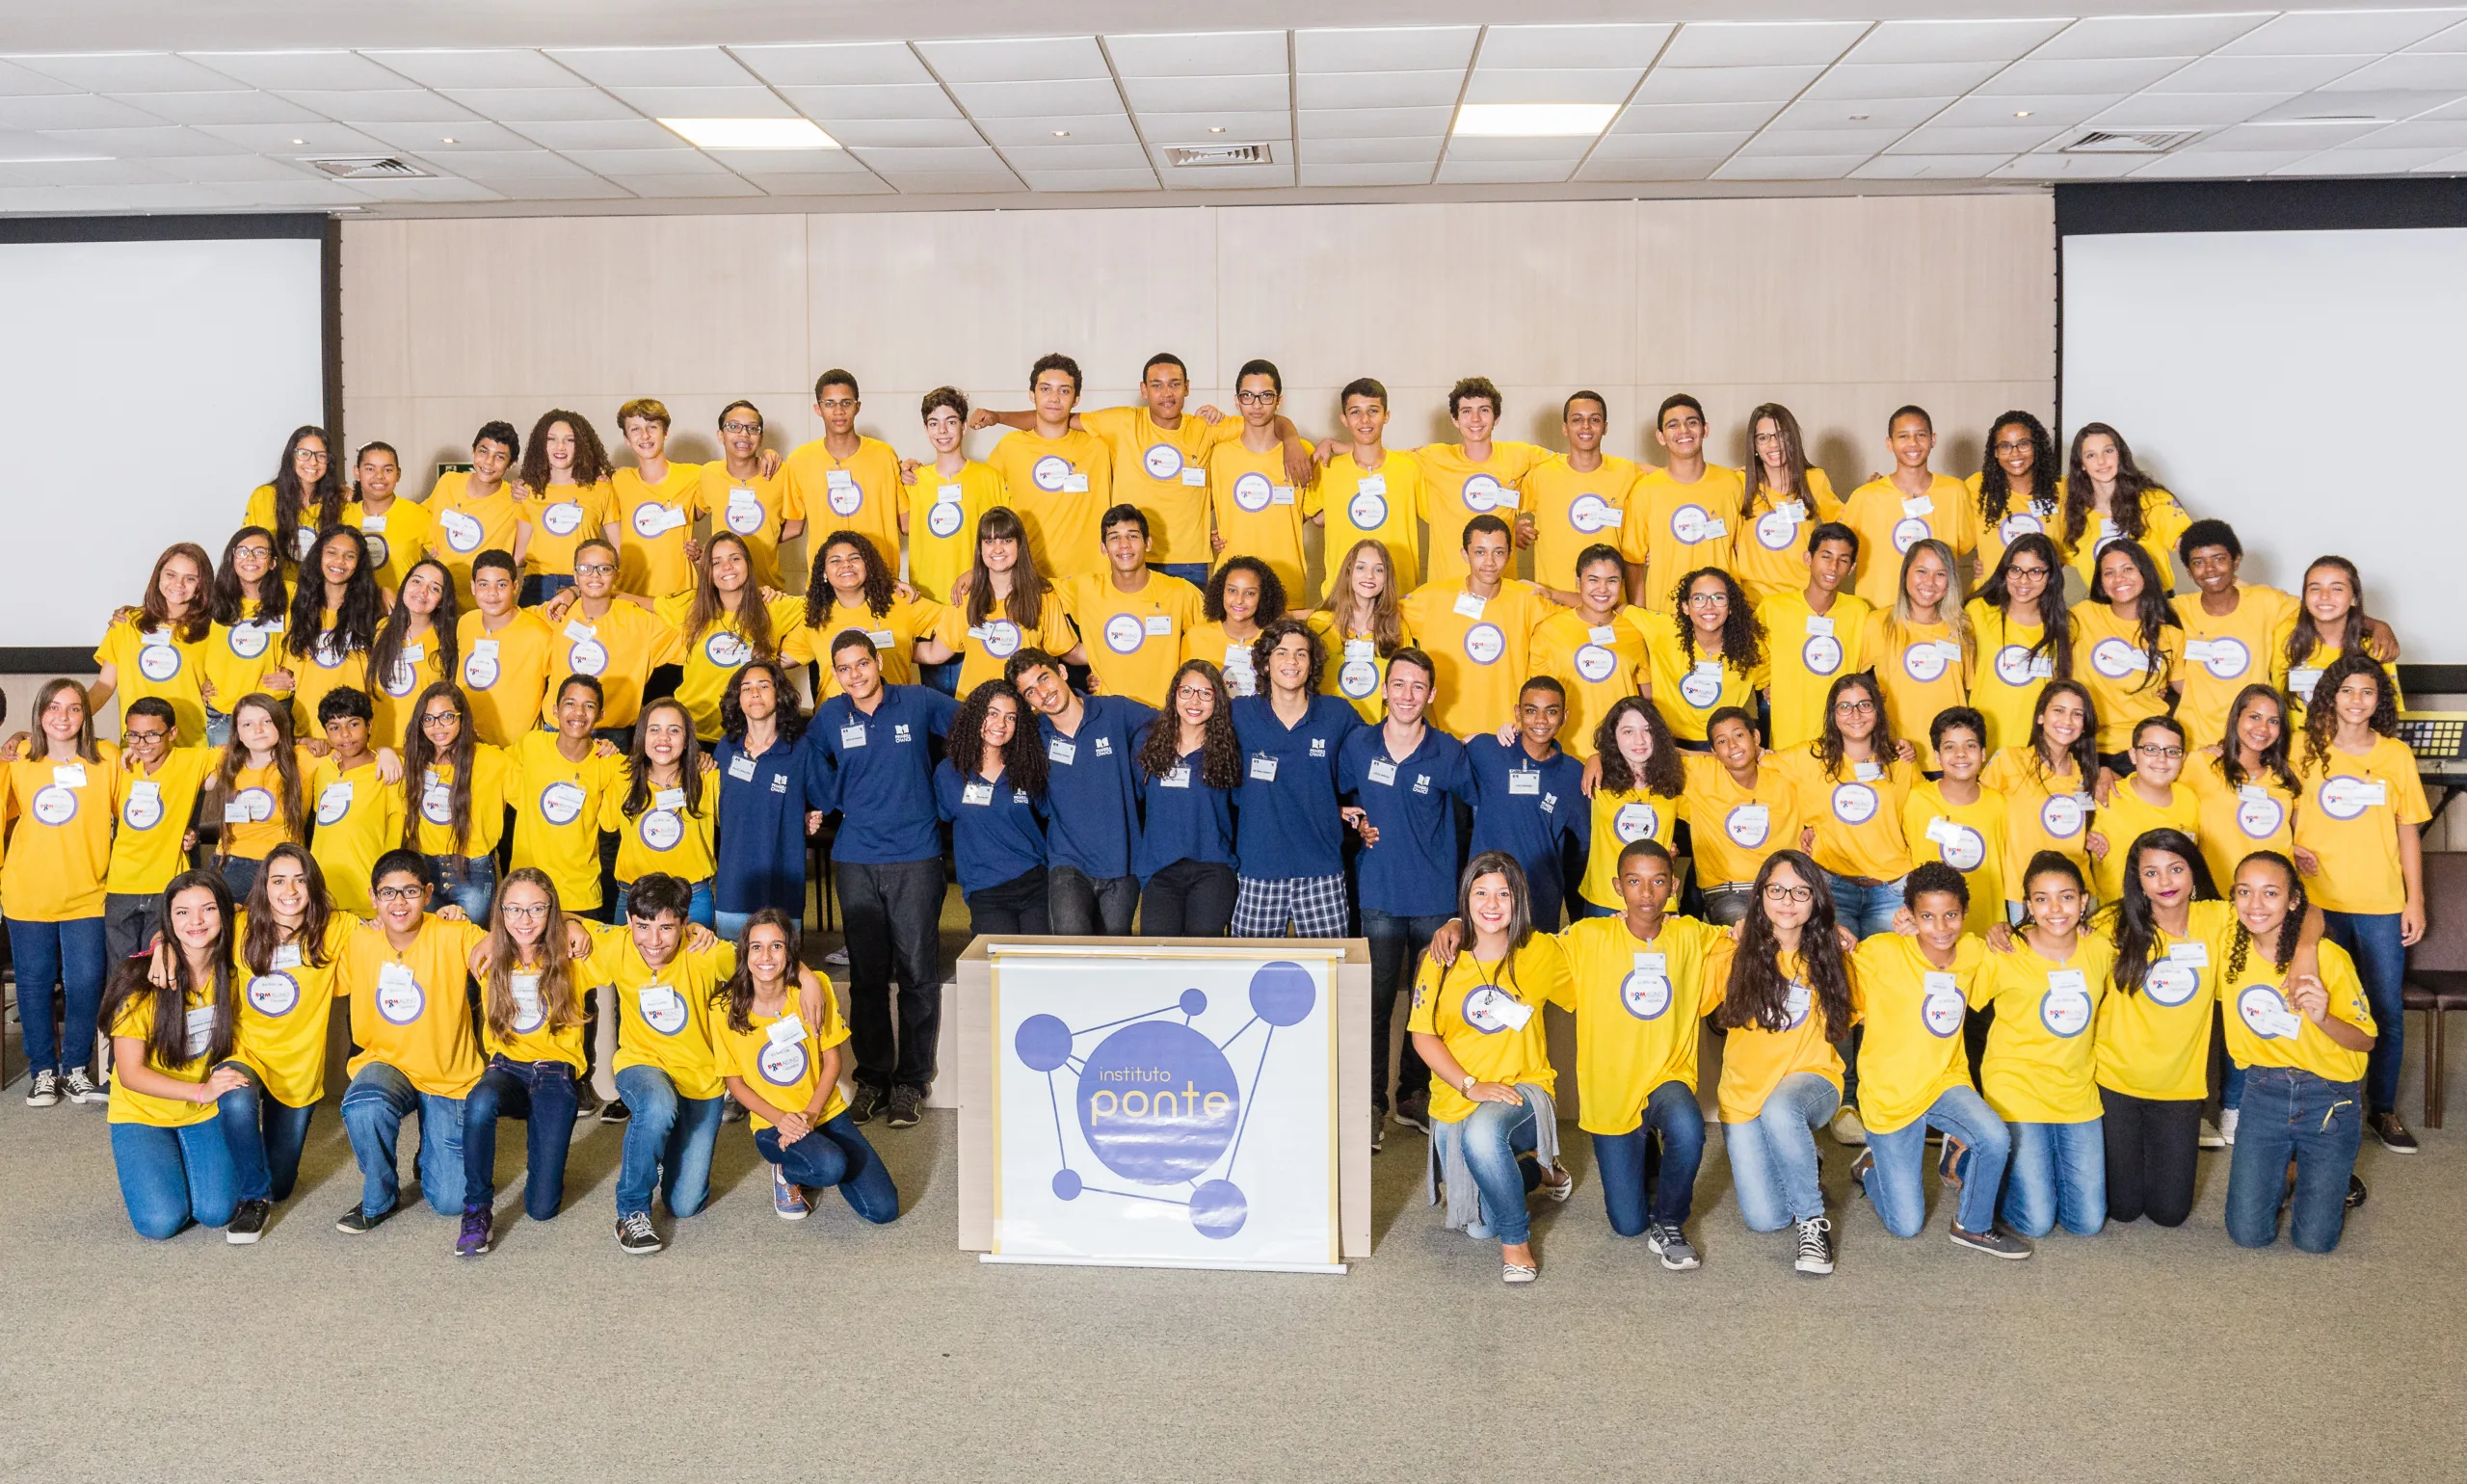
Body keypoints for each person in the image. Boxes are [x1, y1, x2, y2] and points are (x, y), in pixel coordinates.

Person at [1406, 853, 1574, 1283]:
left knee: (1483, 1137)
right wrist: (1469, 1085)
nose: (1492, 903)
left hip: (1525, 1091)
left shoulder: (1541, 952)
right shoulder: (1441, 957)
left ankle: (1516, 1244)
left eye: (1503, 893)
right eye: (1480, 893)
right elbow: (1422, 1035)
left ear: (1519, 899)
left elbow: (1597, 973)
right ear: (1466, 898)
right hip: (1457, 1095)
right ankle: (1538, 1170)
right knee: (1480, 1223)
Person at [812, 630, 956, 1127]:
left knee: (918, 972)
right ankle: (873, 1076)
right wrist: (820, 804)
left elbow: (974, 727)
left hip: (916, 855)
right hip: (856, 858)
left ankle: (912, 1082)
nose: (855, 675)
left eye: (861, 664)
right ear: (836, 673)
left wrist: (950, 786)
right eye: (844, 668)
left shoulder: (917, 702)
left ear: (878, 662)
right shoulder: (830, 715)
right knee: (868, 977)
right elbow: (807, 762)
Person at [1554, 839, 1721, 1267]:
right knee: (1627, 1225)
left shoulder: (1691, 934)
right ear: (1617, 886)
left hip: (1668, 1075)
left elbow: (1749, 939)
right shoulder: (1588, 937)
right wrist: (1460, 924)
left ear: (1674, 886)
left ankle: (1670, 1221)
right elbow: (1524, 949)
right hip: (1612, 1090)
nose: (1646, 894)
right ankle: (1646, 1152)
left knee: (1688, 1127)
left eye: (1657, 882)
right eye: (1634, 882)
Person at [1849, 863, 2029, 1256]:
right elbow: (1835, 988)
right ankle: (1869, 1169)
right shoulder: (1880, 952)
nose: (1941, 927)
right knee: (1906, 1226)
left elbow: (2023, 955)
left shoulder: (1974, 952)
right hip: (1890, 1093)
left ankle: (1972, 1225)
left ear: (1964, 913)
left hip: (1945, 1080)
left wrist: (2007, 928)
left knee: (1994, 1136)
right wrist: (1835, 938)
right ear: (1910, 917)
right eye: (1927, 916)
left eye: (1950, 915)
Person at [2291, 651, 2428, 1154]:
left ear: (2379, 701)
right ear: (2330, 696)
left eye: (2367, 691)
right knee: (2319, 1002)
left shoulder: (2395, 756)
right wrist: (2290, 847)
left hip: (2380, 903)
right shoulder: (2304, 749)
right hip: (2316, 903)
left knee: (2385, 1009)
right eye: (2346, 690)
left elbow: (2408, 830)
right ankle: (2326, 1101)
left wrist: (2415, 900)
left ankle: (2383, 1109)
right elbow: (2275, 814)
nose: (2356, 700)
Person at [1339, 649, 1472, 1143]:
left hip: (1436, 902)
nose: (1407, 695)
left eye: (1418, 687)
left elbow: (1479, 809)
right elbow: (1333, 798)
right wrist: (1347, 818)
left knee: (1428, 1007)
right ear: (1385, 689)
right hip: (1378, 896)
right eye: (1399, 684)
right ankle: (1370, 1104)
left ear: (1431, 694)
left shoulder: (1449, 751)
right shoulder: (1358, 744)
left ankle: (1412, 1097)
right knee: (1374, 1006)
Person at [1702, 850, 1856, 1275]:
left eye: (1801, 891)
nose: (1788, 901)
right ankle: (1804, 1159)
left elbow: (1866, 1008)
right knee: (1766, 1220)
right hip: (1744, 1097)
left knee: (1783, 1109)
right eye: (1776, 890)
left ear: (1816, 899)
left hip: (1812, 1082)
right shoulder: (1731, 952)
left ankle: (1812, 1223)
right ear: (1760, 896)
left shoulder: (1834, 955)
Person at [2220, 852, 2376, 1253]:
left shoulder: (2329, 959)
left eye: (2270, 893)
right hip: (2263, 1091)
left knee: (2315, 1242)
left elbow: (2365, 1041)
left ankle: (2322, 1174)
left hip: (2329, 1096)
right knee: (2248, 1235)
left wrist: (2323, 1016)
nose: (2255, 905)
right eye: (2244, 892)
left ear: (2292, 901)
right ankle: (2289, 1170)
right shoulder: (2227, 945)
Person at [989, 354, 1244, 587]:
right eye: (1156, 385)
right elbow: (1055, 416)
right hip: (1129, 557)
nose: (1166, 393)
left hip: (1191, 561)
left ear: (1187, 387)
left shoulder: (1207, 427)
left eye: (1175, 384)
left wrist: (1287, 437)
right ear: (1143, 389)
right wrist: (998, 417)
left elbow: (1262, 422)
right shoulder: (1121, 423)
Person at [711, 909, 899, 1227]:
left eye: (777, 946)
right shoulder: (723, 1008)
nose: (766, 956)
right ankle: (786, 1171)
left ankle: (811, 1153)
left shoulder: (813, 989)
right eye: (756, 947)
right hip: (774, 1123)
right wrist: (784, 1121)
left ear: (790, 952)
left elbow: (832, 1061)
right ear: (744, 953)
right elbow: (735, 1083)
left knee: (883, 1210)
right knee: (830, 1166)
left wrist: (810, 1116)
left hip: (824, 1111)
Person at [333, 851, 489, 1232]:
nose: (399, 903)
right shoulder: (358, 940)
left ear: (429, 892)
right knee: (364, 1107)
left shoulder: (456, 933)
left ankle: (430, 1148)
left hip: (447, 1075)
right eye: (388, 893)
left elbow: (500, 955)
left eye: (410, 891)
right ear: (372, 897)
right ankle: (380, 1196)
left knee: (452, 1201)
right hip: (387, 1064)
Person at [586, 870, 737, 1255]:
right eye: (643, 926)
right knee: (656, 1106)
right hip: (643, 1064)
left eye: (667, 927)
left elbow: (769, 961)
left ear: (687, 924)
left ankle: (654, 1146)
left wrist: (810, 979)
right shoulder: (616, 944)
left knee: (685, 1205)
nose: (653, 941)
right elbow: (555, 920)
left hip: (701, 1081)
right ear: (629, 922)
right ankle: (631, 1212)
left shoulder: (708, 952)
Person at [213, 844, 357, 1241]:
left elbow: (393, 926)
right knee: (235, 1095)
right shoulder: (240, 925)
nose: (289, 890)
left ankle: (252, 1171)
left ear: (313, 886)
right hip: (247, 1052)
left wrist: (447, 914)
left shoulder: (337, 927)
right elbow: (182, 929)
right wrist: (159, 947)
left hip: (299, 1069)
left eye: (299, 879)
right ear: (264, 886)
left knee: (282, 1185)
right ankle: (253, 1201)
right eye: (278, 880)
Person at [2091, 829, 2226, 1231]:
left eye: (2175, 869)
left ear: (2194, 872)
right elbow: (2050, 943)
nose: (2165, 883)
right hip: (2115, 1083)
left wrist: (2306, 950)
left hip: (2179, 1089)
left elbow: (2303, 911)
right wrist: (2002, 932)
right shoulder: (2109, 924)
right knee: (2123, 1208)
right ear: (2138, 880)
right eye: (2151, 873)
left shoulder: (2218, 918)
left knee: (2170, 1214)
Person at [1973, 850, 2109, 1240]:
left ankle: (2026, 1162)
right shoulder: (2005, 952)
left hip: (2075, 1090)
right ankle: (1969, 1161)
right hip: (2016, 1087)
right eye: (2042, 898)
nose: (2055, 909)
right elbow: (1948, 970)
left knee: (2086, 1223)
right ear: (2027, 904)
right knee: (2036, 1222)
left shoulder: (2100, 949)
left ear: (2084, 901)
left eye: (2066, 897)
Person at [455, 867, 592, 1257]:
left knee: (541, 1209)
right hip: (507, 1070)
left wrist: (575, 921)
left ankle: (543, 1142)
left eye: (536, 909)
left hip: (554, 1073)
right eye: (513, 909)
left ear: (551, 911)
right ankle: (476, 1208)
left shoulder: (572, 951)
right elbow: (429, 924)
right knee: (479, 1101)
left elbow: (631, 936)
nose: (524, 920)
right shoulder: (487, 951)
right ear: (499, 911)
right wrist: (455, 917)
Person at [508, 674, 627, 1116]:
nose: (578, 713)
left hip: (581, 890)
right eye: (570, 704)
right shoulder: (529, 748)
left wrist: (614, 760)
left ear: (600, 714)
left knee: (583, 992)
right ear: (553, 711)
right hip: (528, 892)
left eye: (589, 706)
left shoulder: (606, 762)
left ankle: (580, 1079)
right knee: (527, 983)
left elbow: (613, 823)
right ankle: (525, 1071)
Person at [99, 870, 240, 1238]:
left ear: (224, 913)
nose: (195, 921)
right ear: (168, 919)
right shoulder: (142, 980)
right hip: (142, 1111)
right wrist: (200, 1092)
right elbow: (130, 1073)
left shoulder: (234, 968)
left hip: (202, 1112)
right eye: (181, 913)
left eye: (208, 909)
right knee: (160, 1223)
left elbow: (262, 911)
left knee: (217, 1212)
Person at [6, 678, 119, 1107]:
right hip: (27, 892)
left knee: (87, 981)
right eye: (53, 708)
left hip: (88, 892)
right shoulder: (19, 759)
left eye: (73, 708)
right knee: (34, 985)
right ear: (38, 715)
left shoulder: (106, 758)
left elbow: (132, 810)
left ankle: (75, 1069)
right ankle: (43, 1074)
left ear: (85, 716)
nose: (63, 717)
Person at [1230, 620, 1366, 940]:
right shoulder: (1239, 713)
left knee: (1332, 979)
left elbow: (1376, 755)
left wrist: (1354, 808)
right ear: (1265, 662)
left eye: (1301, 654)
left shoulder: (1338, 714)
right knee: (1248, 976)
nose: (1291, 662)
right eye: (1281, 653)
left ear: (1312, 664)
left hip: (1322, 870)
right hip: (1257, 869)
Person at [1006, 646, 1151, 936]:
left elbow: (1162, 725)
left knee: (1113, 956)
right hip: (1067, 862)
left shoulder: (1114, 711)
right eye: (1030, 692)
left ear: (1061, 671)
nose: (1042, 693)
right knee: (1071, 951)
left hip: (1121, 862)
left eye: (1044, 679)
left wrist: (1137, 774)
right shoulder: (1033, 737)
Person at [1773, 673, 1915, 938]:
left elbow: (1917, 821)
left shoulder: (1901, 761)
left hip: (1892, 890)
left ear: (1877, 710)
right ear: (1833, 715)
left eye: (1864, 704)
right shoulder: (1808, 756)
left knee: (1882, 973)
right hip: (1833, 887)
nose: (1856, 714)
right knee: (1836, 972)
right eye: (1845, 707)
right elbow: (1750, 764)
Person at [1400, 515, 1555, 740]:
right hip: (1447, 738)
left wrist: (1554, 594)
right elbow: (1379, 612)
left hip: (1507, 736)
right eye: (1480, 552)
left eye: (1499, 552)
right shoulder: (1431, 599)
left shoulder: (1527, 600)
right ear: (1465, 554)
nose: (1490, 562)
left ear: (1510, 554)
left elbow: (1585, 615)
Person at [1391, 377, 1550, 588]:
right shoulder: (1435, 457)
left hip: (1500, 590)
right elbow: (1380, 459)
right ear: (1455, 419)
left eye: (1484, 410)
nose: (1475, 419)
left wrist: (1513, 525)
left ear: (1497, 417)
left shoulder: (1520, 456)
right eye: (1466, 411)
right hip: (1447, 589)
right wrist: (1336, 448)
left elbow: (1569, 468)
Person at [711, 660, 829, 941]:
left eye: (763, 686)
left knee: (780, 973)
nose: (755, 693)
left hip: (783, 887)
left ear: (779, 694)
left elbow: (829, 797)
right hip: (733, 886)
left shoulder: (800, 750)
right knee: (733, 975)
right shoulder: (725, 749)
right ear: (737, 699)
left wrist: (809, 815)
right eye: (746, 688)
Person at [662, 531, 811, 741]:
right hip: (694, 732)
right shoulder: (690, 605)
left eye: (735, 558)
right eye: (716, 562)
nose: (727, 567)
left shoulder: (772, 606)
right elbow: (635, 604)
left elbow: (828, 607)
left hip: (751, 734)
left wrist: (795, 653)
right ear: (707, 571)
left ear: (748, 564)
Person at [923, 505, 1083, 698]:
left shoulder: (1043, 596)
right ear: (980, 548)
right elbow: (934, 653)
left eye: (1007, 540)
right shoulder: (966, 596)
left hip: (1028, 710)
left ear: (1019, 545)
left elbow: (1070, 651)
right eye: (989, 541)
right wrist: (889, 643)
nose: (998, 548)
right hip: (977, 712)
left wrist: (1120, 651)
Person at [1465, 677, 1587, 930]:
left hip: (1540, 899)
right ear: (1517, 712)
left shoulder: (1575, 774)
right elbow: (1439, 758)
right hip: (1485, 898)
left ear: (1564, 717)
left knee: (1534, 967)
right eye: (1531, 710)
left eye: (1551, 712)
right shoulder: (1487, 750)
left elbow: (1584, 847)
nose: (1541, 720)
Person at [981, 353, 1115, 583]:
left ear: (1076, 399)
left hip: (1090, 581)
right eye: (1045, 389)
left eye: (1064, 390)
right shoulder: (1010, 447)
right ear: (1032, 395)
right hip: (1028, 579)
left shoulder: (1100, 448)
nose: (1054, 398)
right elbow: (980, 498)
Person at [936, 678, 1051, 935]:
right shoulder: (949, 773)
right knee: (998, 968)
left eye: (1010, 717)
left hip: (1035, 883)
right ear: (976, 716)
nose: (1001, 724)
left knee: (1038, 965)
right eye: (992, 714)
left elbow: (1050, 816)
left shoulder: (1027, 767)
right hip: (985, 889)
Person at [104, 697, 215, 963]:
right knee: (121, 973)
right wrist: (21, 736)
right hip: (121, 885)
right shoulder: (121, 766)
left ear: (172, 733)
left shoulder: (193, 761)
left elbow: (246, 749)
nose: (142, 744)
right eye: (134, 736)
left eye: (152, 735)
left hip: (169, 884)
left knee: (164, 967)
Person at [1133, 662, 1239, 938]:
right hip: (1161, 868)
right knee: (1159, 960)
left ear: (1217, 700)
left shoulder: (1229, 749)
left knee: (1203, 961)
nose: (1195, 700)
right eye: (1187, 691)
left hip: (1212, 868)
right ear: (1174, 694)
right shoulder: (1149, 741)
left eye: (1206, 693)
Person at [538, 539, 684, 738]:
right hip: (557, 730)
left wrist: (620, 595)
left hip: (614, 735)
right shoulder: (557, 613)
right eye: (585, 568)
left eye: (604, 569)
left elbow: (692, 624)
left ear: (616, 574)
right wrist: (573, 592)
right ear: (575, 575)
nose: (595, 575)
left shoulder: (641, 621)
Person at [1058, 504, 1204, 703]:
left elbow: (1211, 637)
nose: (1124, 544)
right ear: (1103, 547)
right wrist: (1088, 656)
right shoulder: (1084, 588)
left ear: (1148, 543)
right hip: (1108, 713)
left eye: (1133, 536)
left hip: (1164, 714)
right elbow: (1037, 595)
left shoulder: (1179, 592)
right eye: (1114, 537)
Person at [2173, 519, 2297, 747]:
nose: (2210, 569)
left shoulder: (2267, 602)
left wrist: (2377, 626)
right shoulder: (2178, 610)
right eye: (2198, 562)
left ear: (2236, 561)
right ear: (2189, 572)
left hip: (2252, 739)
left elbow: (2324, 610)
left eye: (2219, 559)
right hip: (2195, 740)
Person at [1839, 405, 1975, 608]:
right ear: (1889, 443)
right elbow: (1841, 549)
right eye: (1903, 436)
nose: (1913, 443)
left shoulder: (1955, 491)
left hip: (1937, 613)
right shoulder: (1866, 497)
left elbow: (1965, 544)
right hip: (1880, 612)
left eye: (1920, 435)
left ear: (1933, 440)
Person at [1982, 680, 2099, 917]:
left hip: (2078, 893)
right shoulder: (2009, 760)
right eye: (2058, 710)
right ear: (2040, 717)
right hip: (2024, 894)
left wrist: (2092, 835)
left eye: (2077, 714)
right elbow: (1977, 812)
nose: (2067, 721)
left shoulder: (2088, 773)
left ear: (2084, 725)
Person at [1620, 394, 1741, 616]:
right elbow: (1633, 562)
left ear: (1705, 429)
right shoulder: (1645, 491)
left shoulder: (1731, 484)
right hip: (1665, 616)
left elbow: (1742, 549)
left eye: (1691, 422)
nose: (1683, 430)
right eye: (1673, 425)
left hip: (1724, 618)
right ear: (1660, 436)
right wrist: (1642, 618)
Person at [399, 681, 509, 921]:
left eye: (447, 717)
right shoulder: (413, 761)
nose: (437, 726)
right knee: (429, 945)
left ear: (462, 717)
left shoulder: (492, 760)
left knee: (470, 945)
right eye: (428, 719)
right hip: (424, 868)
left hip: (474, 871)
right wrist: (386, 752)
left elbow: (534, 787)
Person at [601, 698, 717, 926]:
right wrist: (603, 745)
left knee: (691, 961)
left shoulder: (707, 776)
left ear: (686, 740)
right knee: (627, 962)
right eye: (654, 729)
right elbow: (608, 824)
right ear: (642, 736)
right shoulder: (621, 777)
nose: (663, 738)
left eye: (673, 730)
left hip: (692, 898)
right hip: (634, 896)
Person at [1205, 359, 1312, 602]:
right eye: (1247, 396)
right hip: (1232, 588)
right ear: (1236, 400)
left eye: (1265, 396)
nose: (1256, 405)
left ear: (1278, 400)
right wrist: (1208, 536)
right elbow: (1192, 505)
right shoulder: (1219, 454)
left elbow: (1320, 512)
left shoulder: (1301, 451)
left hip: (1287, 581)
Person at [1304, 378, 1423, 595]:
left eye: (1373, 411)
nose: (1365, 420)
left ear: (1386, 416)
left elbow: (1442, 515)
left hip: (1398, 595)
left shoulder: (1410, 469)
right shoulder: (1327, 469)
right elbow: (1300, 517)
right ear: (1344, 419)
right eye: (1355, 412)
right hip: (1341, 597)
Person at [1683, 706, 1798, 925]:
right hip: (1728, 892)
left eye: (1738, 735)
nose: (1733, 745)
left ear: (1755, 737)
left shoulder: (1783, 774)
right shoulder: (1702, 773)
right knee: (1751, 937)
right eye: (1722, 741)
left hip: (1784, 888)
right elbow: (1658, 754)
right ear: (1714, 751)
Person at [1528, 543, 1647, 757]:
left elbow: (1647, 700)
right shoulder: (1549, 630)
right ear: (1578, 582)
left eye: (1611, 581)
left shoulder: (1633, 631)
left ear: (1621, 584)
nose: (1602, 589)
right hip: (1566, 752)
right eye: (1593, 580)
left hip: (1622, 754)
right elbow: (1535, 698)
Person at [92, 542, 214, 747]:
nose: (178, 584)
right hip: (137, 750)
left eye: (190, 579)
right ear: (158, 576)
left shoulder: (213, 630)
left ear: (202, 585)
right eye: (171, 575)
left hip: (193, 747)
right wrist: (67, 721)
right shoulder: (127, 623)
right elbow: (104, 686)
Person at [1574, 696, 1685, 920]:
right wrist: (1595, 758)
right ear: (1614, 737)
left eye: (1647, 730)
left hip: (1658, 901)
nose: (1639, 740)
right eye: (1627, 731)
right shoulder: (1598, 780)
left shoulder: (1676, 779)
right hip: (1603, 901)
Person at [2071, 542, 2182, 769]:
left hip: (2144, 750)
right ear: (2101, 582)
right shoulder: (2083, 616)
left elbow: (2193, 695)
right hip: (2084, 746)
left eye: (2127, 569)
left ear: (2145, 573)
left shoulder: (2170, 634)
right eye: (2109, 573)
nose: (2119, 578)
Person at [1518, 390, 1637, 598]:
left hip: (1608, 605)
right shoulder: (1541, 475)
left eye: (1595, 419)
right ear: (1565, 428)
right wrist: (1513, 528)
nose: (1586, 426)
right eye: (1577, 420)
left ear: (1605, 427)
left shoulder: (1627, 473)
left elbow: (1666, 485)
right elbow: (1503, 511)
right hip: (1553, 602)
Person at [2184, 682, 2298, 898]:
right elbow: (2153, 780)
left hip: (2272, 897)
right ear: (2237, 717)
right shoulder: (2201, 764)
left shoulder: (2285, 777)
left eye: (2273, 721)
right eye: (2254, 717)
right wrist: (2105, 771)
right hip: (2216, 893)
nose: (2263, 728)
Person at [783, 369, 904, 572]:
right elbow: (793, 525)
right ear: (818, 409)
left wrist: (922, 474)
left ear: (857, 407)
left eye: (846, 403)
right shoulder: (800, 460)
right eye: (829, 404)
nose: (838, 411)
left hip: (880, 576)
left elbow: (908, 523)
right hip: (826, 581)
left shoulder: (884, 455)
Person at [1865, 540, 1969, 772]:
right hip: (1896, 754)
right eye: (1921, 571)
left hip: (1949, 759)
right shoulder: (1878, 623)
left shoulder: (1962, 630)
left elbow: (1968, 690)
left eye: (1940, 574)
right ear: (1905, 574)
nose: (1929, 582)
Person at [1901, 707, 2007, 936]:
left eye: (1970, 745)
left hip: (1987, 930)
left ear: (1983, 753)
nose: (1960, 754)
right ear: (1937, 757)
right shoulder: (1917, 800)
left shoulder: (1999, 804)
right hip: (1931, 931)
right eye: (1950, 747)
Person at [1965, 532, 2071, 756]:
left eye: (2035, 572)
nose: (2023, 581)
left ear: (2050, 576)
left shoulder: (2065, 627)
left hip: (2037, 749)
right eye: (2015, 570)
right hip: (1983, 744)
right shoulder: (1978, 612)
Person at [302, 687, 402, 918]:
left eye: (353, 724)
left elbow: (395, 840)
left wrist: (387, 895)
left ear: (369, 725)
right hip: (322, 899)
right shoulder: (324, 768)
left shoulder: (388, 770)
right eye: (334, 728)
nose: (345, 735)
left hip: (367, 901)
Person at [1731, 402, 1841, 606]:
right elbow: (1691, 480)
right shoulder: (1739, 482)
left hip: (1803, 600)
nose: (1773, 445)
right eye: (1763, 438)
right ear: (1754, 445)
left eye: (1781, 436)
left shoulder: (1814, 480)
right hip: (1753, 604)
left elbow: (1845, 525)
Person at [805, 529, 939, 697]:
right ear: (823, 573)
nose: (846, 564)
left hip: (895, 715)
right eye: (835, 560)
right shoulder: (813, 616)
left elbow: (952, 623)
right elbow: (783, 657)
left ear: (868, 565)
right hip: (836, 718)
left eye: (854, 558)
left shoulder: (901, 601)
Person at [903, 387, 1005, 605]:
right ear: (925, 428)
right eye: (933, 423)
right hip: (927, 601)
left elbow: (1010, 539)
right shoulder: (912, 481)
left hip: (979, 597)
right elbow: (900, 527)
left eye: (950, 422)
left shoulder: (990, 478)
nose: (942, 430)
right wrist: (895, 471)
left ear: (964, 426)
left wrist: (977, 573)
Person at [1643, 566, 1764, 749]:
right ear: (1685, 607)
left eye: (1718, 598)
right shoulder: (1663, 629)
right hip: (1672, 743)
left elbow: (1770, 680)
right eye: (1699, 598)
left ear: (1730, 607)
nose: (1709, 606)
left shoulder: (1749, 645)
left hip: (1725, 746)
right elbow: (1616, 608)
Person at [2060, 422, 2190, 590]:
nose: (2101, 461)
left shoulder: (2154, 500)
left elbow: (2193, 548)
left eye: (2108, 451)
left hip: (2155, 608)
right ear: (2081, 464)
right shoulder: (2073, 512)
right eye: (2091, 455)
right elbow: (2058, 561)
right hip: (2104, 611)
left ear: (2120, 454)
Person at [207, 693, 308, 902]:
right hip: (229, 861)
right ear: (238, 734)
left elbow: (351, 754)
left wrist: (385, 753)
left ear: (280, 724)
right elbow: (176, 769)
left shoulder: (304, 758)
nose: (258, 730)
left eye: (267, 721)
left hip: (278, 866)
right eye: (247, 724)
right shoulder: (225, 761)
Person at [280, 525, 382, 731]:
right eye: (332, 552)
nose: (339, 561)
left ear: (359, 563)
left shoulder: (375, 612)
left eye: (349, 556)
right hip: (308, 732)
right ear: (319, 556)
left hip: (358, 733)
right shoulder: (296, 608)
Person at [2085, 716, 2196, 906]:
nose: (2161, 759)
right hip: (2116, 919)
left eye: (2172, 751)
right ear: (2133, 755)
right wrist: (2081, 839)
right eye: (2151, 749)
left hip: (2174, 917)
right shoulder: (2104, 797)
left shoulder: (2190, 799)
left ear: (2183, 758)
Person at [695, 400, 801, 596]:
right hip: (722, 591)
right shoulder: (708, 473)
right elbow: (692, 512)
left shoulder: (781, 473)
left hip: (770, 591)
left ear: (760, 437)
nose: (743, 434)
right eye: (734, 427)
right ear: (721, 435)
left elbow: (795, 526)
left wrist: (762, 538)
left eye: (752, 428)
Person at [515, 408, 620, 605]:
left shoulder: (601, 489)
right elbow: (519, 555)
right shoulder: (528, 492)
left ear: (581, 445)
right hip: (536, 587)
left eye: (569, 440)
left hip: (585, 584)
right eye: (551, 439)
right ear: (541, 445)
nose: (560, 447)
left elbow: (618, 549)